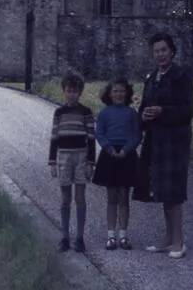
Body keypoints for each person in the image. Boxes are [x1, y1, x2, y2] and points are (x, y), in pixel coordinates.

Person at [135, 32, 193, 259]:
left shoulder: (181, 76)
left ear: (172, 51)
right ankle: (168, 239)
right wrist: (144, 116)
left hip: (175, 142)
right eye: (156, 51)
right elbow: (144, 108)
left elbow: (189, 110)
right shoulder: (151, 78)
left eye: (163, 50)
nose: (160, 54)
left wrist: (163, 112)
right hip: (155, 141)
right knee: (161, 190)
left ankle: (179, 242)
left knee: (174, 192)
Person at [48, 71, 96, 253]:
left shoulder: (86, 112)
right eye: (68, 90)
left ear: (80, 92)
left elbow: (91, 139)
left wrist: (91, 162)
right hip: (63, 157)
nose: (71, 94)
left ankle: (80, 238)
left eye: (75, 91)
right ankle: (65, 237)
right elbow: (54, 138)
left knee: (80, 198)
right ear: (64, 91)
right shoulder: (59, 113)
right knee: (65, 198)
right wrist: (52, 161)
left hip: (81, 157)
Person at [92, 79, 141, 250]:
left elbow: (136, 135)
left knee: (124, 198)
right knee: (111, 198)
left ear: (127, 93)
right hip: (109, 155)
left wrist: (125, 150)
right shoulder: (105, 113)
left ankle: (123, 236)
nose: (119, 94)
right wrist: (110, 149)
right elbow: (100, 133)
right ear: (109, 94)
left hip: (126, 156)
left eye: (122, 91)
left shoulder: (132, 113)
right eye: (115, 91)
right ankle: (111, 236)